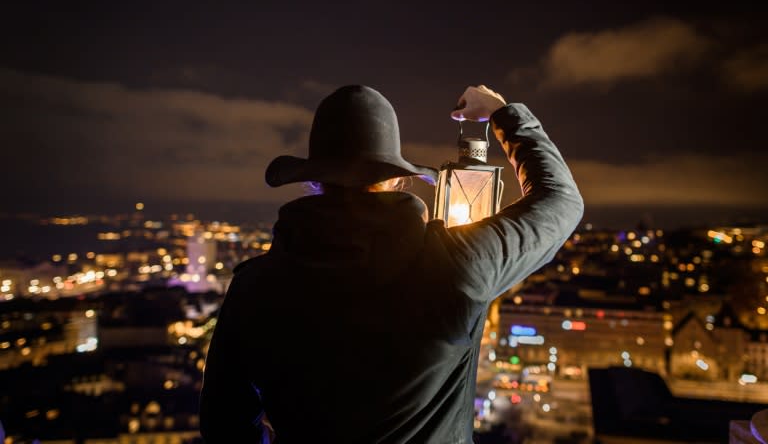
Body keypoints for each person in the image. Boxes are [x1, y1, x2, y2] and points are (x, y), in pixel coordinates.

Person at [199, 84, 583, 443]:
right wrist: (502, 115)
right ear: (397, 180)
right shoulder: (456, 265)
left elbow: (224, 423)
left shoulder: (254, 289)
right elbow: (560, 202)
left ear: (314, 181)